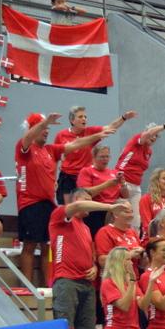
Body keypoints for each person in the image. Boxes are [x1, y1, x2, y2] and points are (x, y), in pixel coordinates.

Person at [16, 112, 112, 286]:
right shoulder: (25, 148)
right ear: (33, 129)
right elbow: (27, 137)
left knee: (47, 245)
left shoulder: (50, 150)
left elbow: (75, 144)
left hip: (48, 203)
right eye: (43, 128)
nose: (46, 131)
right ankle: (27, 286)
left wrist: (97, 136)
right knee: (30, 245)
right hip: (30, 203)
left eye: (48, 128)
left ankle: (48, 285)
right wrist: (45, 121)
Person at [50, 189, 129, 329]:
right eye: (87, 199)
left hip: (86, 283)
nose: (90, 204)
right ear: (76, 199)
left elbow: (90, 254)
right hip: (66, 281)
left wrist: (93, 267)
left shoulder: (85, 228)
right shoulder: (60, 216)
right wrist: (110, 207)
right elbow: (78, 206)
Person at [54, 106, 136, 205]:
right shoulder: (61, 135)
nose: (84, 119)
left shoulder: (90, 131)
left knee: (83, 206)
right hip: (67, 177)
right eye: (80, 117)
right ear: (72, 120)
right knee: (67, 208)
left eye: (85, 117)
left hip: (84, 176)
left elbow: (110, 127)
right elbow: (55, 158)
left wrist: (123, 117)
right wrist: (53, 179)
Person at [116, 119, 165, 231]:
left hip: (136, 185)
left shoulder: (149, 152)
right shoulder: (137, 140)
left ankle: (134, 240)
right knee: (120, 214)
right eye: (153, 134)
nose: (154, 137)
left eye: (156, 136)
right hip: (122, 180)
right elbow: (149, 133)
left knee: (136, 220)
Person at [76, 144, 127, 237]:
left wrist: (123, 184)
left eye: (107, 156)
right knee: (96, 236)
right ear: (94, 158)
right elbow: (85, 193)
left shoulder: (114, 173)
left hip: (113, 210)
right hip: (96, 210)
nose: (105, 159)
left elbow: (126, 195)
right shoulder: (87, 171)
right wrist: (107, 184)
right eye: (102, 157)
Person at [95, 199, 144, 277]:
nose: (131, 215)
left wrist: (142, 253)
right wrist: (129, 254)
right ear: (115, 214)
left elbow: (141, 263)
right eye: (127, 212)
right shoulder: (105, 232)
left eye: (132, 212)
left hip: (132, 278)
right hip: (115, 279)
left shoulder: (132, 232)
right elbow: (102, 261)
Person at [139, 168, 165, 238]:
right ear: (156, 181)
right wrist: (161, 238)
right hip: (154, 239)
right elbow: (147, 225)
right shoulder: (146, 199)